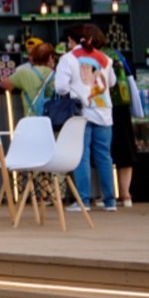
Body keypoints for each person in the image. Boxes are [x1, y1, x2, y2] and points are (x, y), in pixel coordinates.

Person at [60, 24, 116, 211]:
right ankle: (110, 201)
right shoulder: (105, 58)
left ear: (72, 40)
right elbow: (112, 82)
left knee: (81, 156)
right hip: (104, 112)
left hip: (81, 113)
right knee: (104, 157)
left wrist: (74, 92)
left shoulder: (68, 59)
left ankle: (83, 201)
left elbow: (61, 87)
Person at [105, 46, 137, 208]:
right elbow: (130, 75)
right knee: (125, 149)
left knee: (103, 153)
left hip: (102, 107)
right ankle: (125, 194)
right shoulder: (117, 55)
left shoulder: (92, 56)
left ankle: (106, 195)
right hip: (122, 106)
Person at [3, 38, 56, 117]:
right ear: (50, 58)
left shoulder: (24, 72)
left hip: (32, 117)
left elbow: (5, 84)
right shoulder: (55, 73)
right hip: (53, 117)